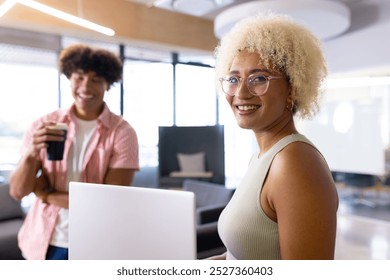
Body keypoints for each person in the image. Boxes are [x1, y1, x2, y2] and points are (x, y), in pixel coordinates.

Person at [210, 14, 338, 260]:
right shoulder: (262, 156)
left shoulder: (295, 163)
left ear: (293, 89)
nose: (241, 93)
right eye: (234, 79)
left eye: (259, 79)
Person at [9, 44, 140, 260]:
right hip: (43, 241)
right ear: (69, 78)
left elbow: (109, 200)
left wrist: (47, 194)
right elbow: (17, 192)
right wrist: (32, 153)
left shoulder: (122, 133)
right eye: (79, 77)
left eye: (96, 79)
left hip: (94, 242)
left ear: (108, 83)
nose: (86, 86)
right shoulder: (44, 124)